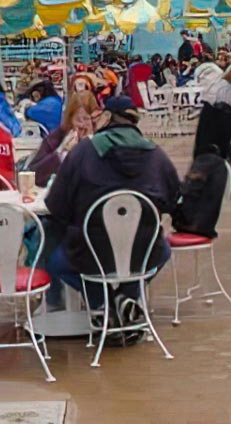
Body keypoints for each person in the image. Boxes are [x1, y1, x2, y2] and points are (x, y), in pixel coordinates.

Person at [45, 97, 181, 335]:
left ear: (107, 118)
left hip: (90, 251)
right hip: (144, 251)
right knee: (164, 251)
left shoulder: (83, 152)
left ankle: (103, 302)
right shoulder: (156, 155)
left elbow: (57, 206)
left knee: (56, 262)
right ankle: (126, 298)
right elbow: (173, 201)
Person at [24, 92, 100, 186]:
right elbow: (34, 175)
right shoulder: (56, 138)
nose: (82, 125)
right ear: (70, 119)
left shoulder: (102, 141)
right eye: (78, 120)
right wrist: (61, 153)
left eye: (86, 119)